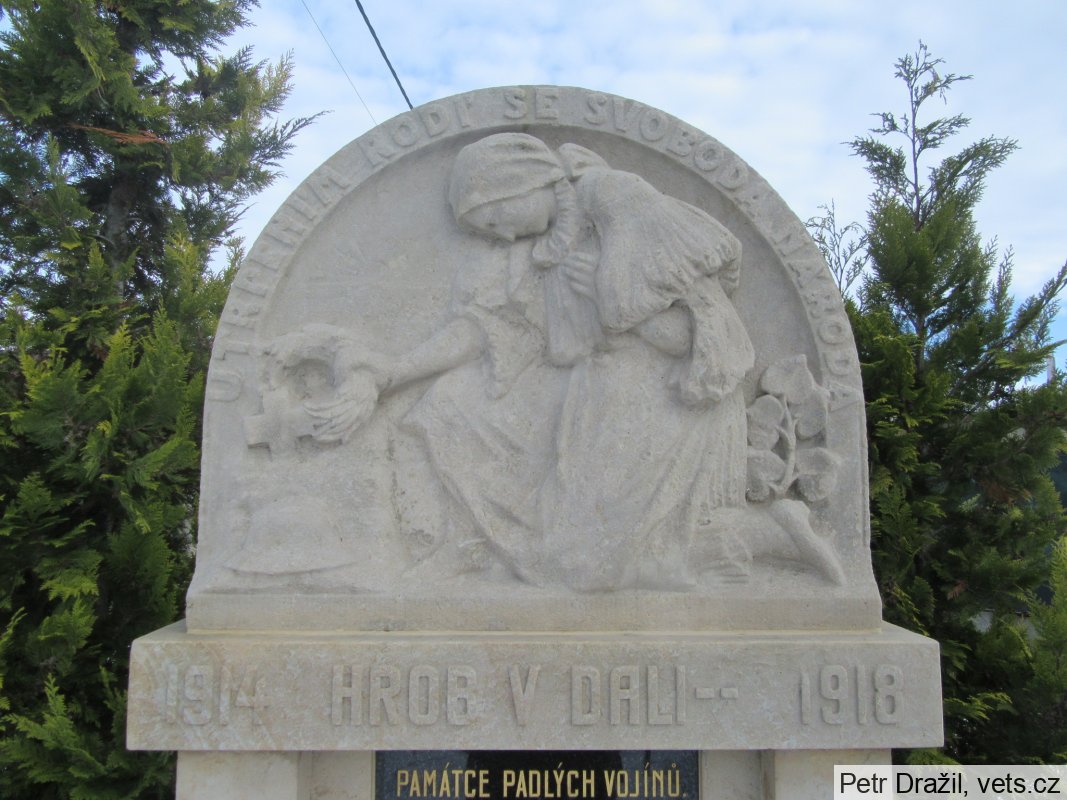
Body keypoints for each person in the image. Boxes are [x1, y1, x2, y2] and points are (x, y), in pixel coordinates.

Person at [307, 133, 755, 591]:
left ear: (524, 182)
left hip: (658, 400)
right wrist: (392, 374)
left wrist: (605, 294)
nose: (502, 235)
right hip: (590, 387)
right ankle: (465, 548)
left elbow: (691, 338)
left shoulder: (617, 200)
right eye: (488, 231)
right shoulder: (540, 248)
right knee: (449, 403)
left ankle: (727, 544)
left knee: (581, 563)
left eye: (496, 218)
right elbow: (486, 330)